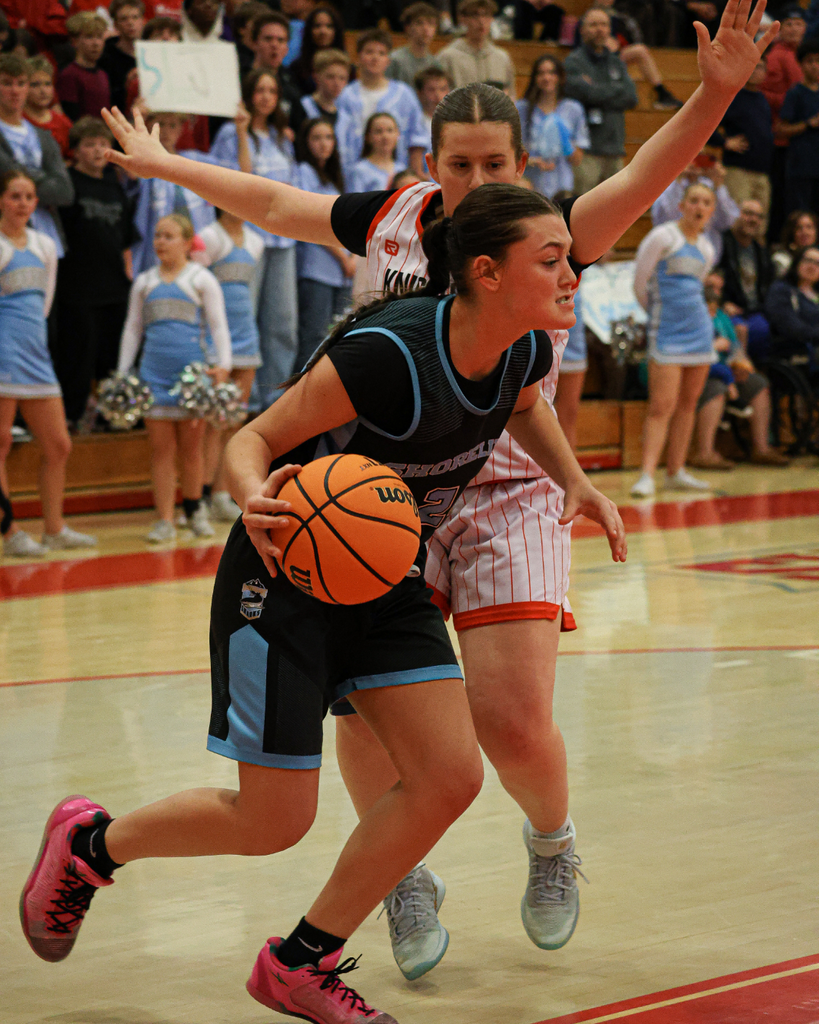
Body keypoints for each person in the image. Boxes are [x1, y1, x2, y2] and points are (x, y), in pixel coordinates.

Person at [96, 0, 780, 977]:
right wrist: (165, 166)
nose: (475, 181)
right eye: (457, 164)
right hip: (380, 491)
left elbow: (642, 175)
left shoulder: (544, 235)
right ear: (430, 162)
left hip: (502, 476)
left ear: (523, 165)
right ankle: (396, 872)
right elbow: (276, 205)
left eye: (496, 163)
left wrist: (714, 95)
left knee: (504, 718)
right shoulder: (391, 220)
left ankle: (551, 841)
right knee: (370, 708)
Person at [19, 182, 626, 1024]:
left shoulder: (523, 350)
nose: (572, 276)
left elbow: (520, 406)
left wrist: (574, 479)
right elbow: (252, 439)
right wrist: (250, 499)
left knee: (449, 776)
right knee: (273, 822)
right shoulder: (389, 351)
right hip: (284, 576)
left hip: (385, 575)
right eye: (551, 260)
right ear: (485, 272)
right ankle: (90, 846)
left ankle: (300, 962)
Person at [116, 213, 231, 542]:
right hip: (153, 376)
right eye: (157, 236)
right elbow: (132, 330)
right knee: (161, 450)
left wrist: (222, 365)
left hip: (192, 378)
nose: (160, 242)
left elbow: (218, 326)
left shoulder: (201, 279)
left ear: (186, 242)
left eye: (168, 236)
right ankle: (164, 519)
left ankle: (195, 511)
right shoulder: (145, 282)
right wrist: (124, 374)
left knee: (191, 449)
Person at [0, 170, 96, 557]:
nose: (23, 203)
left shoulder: (43, 244)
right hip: (3, 355)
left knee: (58, 444)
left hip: (35, 356)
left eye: (29, 197)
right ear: (1, 201)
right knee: (1, 442)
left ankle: (54, 528)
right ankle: (10, 532)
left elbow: (45, 304)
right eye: (15, 196)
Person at [211, 69, 298, 409]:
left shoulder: (281, 136)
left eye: (272, 90)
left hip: (284, 241)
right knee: (244, 319)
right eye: (259, 89)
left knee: (283, 325)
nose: (265, 96)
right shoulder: (228, 134)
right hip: (245, 239)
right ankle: (242, 401)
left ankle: (273, 402)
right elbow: (237, 185)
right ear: (247, 94)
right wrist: (242, 132)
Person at [630, 182, 718, 497]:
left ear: (712, 210)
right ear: (681, 205)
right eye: (693, 200)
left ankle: (676, 470)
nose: (699, 206)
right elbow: (640, 283)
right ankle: (646, 474)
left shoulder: (708, 247)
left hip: (700, 333)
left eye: (706, 202)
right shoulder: (663, 237)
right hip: (666, 333)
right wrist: (656, 316)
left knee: (688, 404)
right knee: (661, 406)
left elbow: (700, 287)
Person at [54, 116, 138, 431]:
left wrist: (127, 273)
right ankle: (71, 416)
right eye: (89, 144)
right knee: (77, 356)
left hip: (113, 286)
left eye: (103, 144)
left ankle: (110, 417)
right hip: (77, 286)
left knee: (110, 357)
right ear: (75, 150)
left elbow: (125, 239)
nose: (97, 150)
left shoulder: (114, 185)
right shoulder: (68, 183)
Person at [195, 209, 264, 523]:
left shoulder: (256, 241)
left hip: (246, 334)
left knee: (234, 420)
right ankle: (201, 495)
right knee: (212, 422)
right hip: (214, 337)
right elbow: (194, 287)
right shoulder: (209, 237)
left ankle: (223, 493)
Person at [691, 267, 789, 467]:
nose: (715, 293)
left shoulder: (721, 316)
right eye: (711, 287)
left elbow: (735, 348)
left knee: (758, 383)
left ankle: (761, 449)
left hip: (725, 369)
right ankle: (704, 452)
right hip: (700, 371)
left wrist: (741, 365)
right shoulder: (691, 314)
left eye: (719, 289)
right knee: (717, 388)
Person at [293, 117, 354, 371]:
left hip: (342, 272)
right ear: (306, 143)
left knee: (337, 334)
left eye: (329, 137)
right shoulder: (303, 172)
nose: (323, 144)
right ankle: (300, 392)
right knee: (314, 334)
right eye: (316, 138)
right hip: (316, 266)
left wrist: (351, 258)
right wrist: (342, 257)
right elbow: (308, 221)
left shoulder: (336, 178)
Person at [0, 53, 73, 261]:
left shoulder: (43, 136)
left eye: (21, 83)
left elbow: (65, 191)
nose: (15, 91)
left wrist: (24, 177)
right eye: (6, 83)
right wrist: (42, 176)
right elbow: (7, 178)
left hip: (47, 239)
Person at [130, 110, 216, 276]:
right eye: (159, 124)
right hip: (158, 253)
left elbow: (239, 171)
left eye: (172, 125)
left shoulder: (195, 160)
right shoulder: (146, 165)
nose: (165, 131)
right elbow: (132, 176)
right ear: (148, 126)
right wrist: (136, 121)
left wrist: (241, 129)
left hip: (197, 250)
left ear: (181, 129)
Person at [335, 29, 428, 183]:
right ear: (358, 57)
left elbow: (417, 137)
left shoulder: (403, 94)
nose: (375, 58)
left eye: (381, 53)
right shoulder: (346, 95)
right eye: (369, 52)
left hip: (397, 175)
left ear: (388, 60)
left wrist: (415, 172)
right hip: (354, 173)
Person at [563, 7, 638, 194]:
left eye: (604, 24)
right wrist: (614, 90)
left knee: (616, 210)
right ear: (582, 30)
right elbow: (580, 93)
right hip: (587, 151)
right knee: (581, 209)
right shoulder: (573, 62)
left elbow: (631, 97)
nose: (599, 29)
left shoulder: (616, 62)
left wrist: (595, 90)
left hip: (615, 149)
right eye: (593, 24)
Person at [651, 137, 739, 261]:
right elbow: (664, 219)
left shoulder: (711, 186)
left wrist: (719, 185)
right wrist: (679, 179)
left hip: (707, 260)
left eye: (699, 157)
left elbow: (728, 222)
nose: (694, 162)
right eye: (690, 157)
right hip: (672, 257)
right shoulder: (669, 184)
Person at [761, 4, 805, 242]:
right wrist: (794, 101)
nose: (794, 29)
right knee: (781, 197)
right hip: (781, 140)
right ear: (781, 29)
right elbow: (763, 92)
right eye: (789, 24)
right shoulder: (777, 55)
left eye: (799, 24)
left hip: (801, 139)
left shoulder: (806, 56)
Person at [517, 53, 588, 198]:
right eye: (541, 73)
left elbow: (577, 160)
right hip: (529, 183)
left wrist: (565, 142)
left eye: (551, 73)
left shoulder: (573, 109)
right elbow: (513, 152)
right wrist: (532, 161)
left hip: (561, 186)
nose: (546, 78)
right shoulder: (522, 109)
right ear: (535, 78)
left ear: (560, 77)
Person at [721, 57, 774, 237]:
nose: (755, 71)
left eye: (760, 67)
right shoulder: (732, 96)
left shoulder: (762, 99)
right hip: (738, 170)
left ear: (765, 73)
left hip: (762, 171)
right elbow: (705, 123)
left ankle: (759, 261)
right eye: (751, 66)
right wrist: (724, 142)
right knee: (739, 220)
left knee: (760, 223)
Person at [718, 198, 775, 362]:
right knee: (739, 329)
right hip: (728, 309)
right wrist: (723, 302)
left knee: (764, 329)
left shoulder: (761, 251)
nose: (753, 219)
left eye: (758, 216)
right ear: (736, 214)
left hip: (755, 310)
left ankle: (758, 374)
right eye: (748, 213)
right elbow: (711, 278)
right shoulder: (722, 244)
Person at [436, 0, 517, 96]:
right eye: (475, 15)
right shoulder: (448, 57)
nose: (481, 21)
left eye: (486, 15)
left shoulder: (502, 58)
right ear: (463, 19)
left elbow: (511, 97)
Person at [778, 38, 819, 216]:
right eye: (810, 61)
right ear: (801, 64)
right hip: (801, 167)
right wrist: (809, 124)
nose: (815, 66)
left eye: (818, 61)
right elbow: (780, 129)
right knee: (799, 215)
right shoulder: (795, 93)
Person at [765, 243, 819, 362]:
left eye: (817, 263)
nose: (812, 266)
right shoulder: (781, 290)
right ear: (797, 262)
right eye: (808, 260)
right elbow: (791, 328)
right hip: (795, 353)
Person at [56, 12, 110, 121]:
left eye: (99, 37)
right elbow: (71, 117)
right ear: (75, 41)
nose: (96, 43)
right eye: (89, 37)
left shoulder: (102, 74)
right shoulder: (69, 75)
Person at [290, 47, 352, 138]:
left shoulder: (345, 115)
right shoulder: (302, 106)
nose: (337, 83)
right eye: (330, 77)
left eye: (342, 78)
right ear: (316, 77)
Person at [553, 287, 587, 451]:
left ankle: (566, 475)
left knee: (570, 413)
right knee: (531, 410)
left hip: (571, 327)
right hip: (537, 323)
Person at [99, 0, 145, 115]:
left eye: (135, 17)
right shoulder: (106, 55)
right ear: (115, 24)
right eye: (124, 19)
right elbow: (106, 97)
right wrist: (126, 85)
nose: (130, 23)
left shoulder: (151, 52)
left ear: (143, 21)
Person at [289, 3, 346, 95]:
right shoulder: (297, 68)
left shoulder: (348, 67)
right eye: (317, 26)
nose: (323, 31)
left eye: (329, 26)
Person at [23, 56, 72, 159]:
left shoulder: (64, 123)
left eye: (48, 84)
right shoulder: (16, 120)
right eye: (35, 85)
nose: (43, 91)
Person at [387, 2, 443, 88]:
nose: (426, 29)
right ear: (408, 28)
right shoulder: (395, 60)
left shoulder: (435, 64)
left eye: (431, 24)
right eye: (419, 23)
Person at [347, 111, 404, 192]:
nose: (385, 137)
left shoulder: (402, 169)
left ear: (398, 134)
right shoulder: (360, 171)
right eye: (378, 131)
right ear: (368, 137)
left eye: (390, 130)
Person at [772, 207, 818, 275]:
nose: (805, 232)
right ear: (792, 233)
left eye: (809, 227)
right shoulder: (782, 259)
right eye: (799, 228)